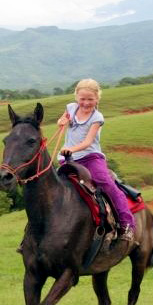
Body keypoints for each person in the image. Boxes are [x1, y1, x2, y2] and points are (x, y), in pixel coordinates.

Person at [57, 78, 136, 243]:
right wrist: (62, 121)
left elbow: (87, 142)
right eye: (82, 99)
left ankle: (127, 225)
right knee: (53, 188)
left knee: (106, 183)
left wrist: (71, 149)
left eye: (90, 99)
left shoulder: (97, 117)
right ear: (76, 97)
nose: (86, 103)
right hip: (68, 158)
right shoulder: (71, 108)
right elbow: (64, 119)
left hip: (90, 157)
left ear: (97, 98)